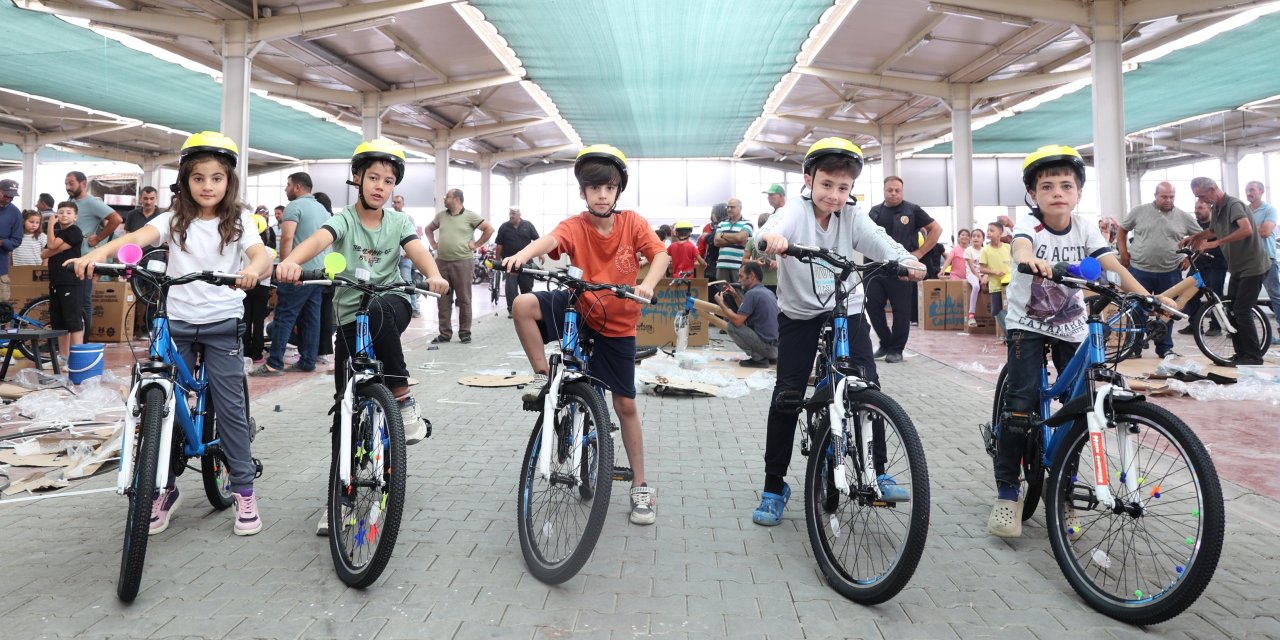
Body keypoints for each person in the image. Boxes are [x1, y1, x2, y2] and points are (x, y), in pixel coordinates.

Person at [70, 131, 273, 536]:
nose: (208, 186)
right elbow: (134, 238)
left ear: (229, 181)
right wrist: (96, 254)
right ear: (185, 181)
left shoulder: (240, 223)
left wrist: (253, 270)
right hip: (176, 322)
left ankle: (244, 489)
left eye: (216, 178)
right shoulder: (171, 220)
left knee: (230, 407)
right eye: (199, 178)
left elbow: (261, 253)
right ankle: (162, 488)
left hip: (221, 324)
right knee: (161, 405)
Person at [990, 145, 1172, 538]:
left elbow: (1112, 265)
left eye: (1066, 185)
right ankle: (1007, 493)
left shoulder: (1085, 227)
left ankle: (1065, 494)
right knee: (1020, 405)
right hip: (1028, 325)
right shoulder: (1029, 225)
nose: (1057, 192)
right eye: (1047, 186)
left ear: (1077, 193)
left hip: (1072, 326)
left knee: (1078, 410)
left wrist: (1149, 297)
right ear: (1034, 194)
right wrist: (1031, 260)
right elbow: (1020, 245)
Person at [753, 137, 924, 526]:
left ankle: (878, 469)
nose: (833, 195)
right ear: (809, 179)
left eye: (842, 188)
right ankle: (774, 485)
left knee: (868, 386)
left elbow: (879, 241)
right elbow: (769, 232)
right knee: (787, 396)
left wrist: (906, 260)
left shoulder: (852, 214)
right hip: (799, 315)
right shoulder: (795, 212)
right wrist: (771, 240)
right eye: (826, 185)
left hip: (847, 309)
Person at [501, 144, 670, 526]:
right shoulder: (575, 225)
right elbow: (548, 241)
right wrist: (522, 256)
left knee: (625, 405)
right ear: (583, 192)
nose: (601, 194)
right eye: (594, 188)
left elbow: (660, 255)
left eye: (609, 188)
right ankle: (543, 374)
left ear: (617, 192)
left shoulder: (633, 224)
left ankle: (641, 485)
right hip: (580, 308)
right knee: (522, 306)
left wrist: (647, 284)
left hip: (619, 322)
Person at [276, 138, 448, 463]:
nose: (380, 187)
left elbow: (417, 250)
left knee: (380, 308)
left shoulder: (398, 221)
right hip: (349, 316)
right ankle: (346, 472)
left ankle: (402, 397)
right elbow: (318, 239)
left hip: (390, 302)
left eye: (388, 181)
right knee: (345, 400)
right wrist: (292, 262)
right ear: (357, 177)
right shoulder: (344, 219)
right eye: (373, 178)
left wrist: (434, 273)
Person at [1185, 177, 1271, 366]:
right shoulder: (1217, 208)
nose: (1201, 201)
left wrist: (1217, 243)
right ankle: (1241, 354)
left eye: (1202, 196)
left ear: (1213, 189)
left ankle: (1254, 356)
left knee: (1242, 310)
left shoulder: (1234, 205)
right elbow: (1213, 230)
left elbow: (1246, 229)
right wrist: (1195, 237)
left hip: (1253, 265)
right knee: (1231, 309)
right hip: (1238, 267)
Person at [252, 172, 328, 376]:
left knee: (284, 316)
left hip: (297, 272)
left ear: (297, 188)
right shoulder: (322, 209)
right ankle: (308, 361)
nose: (285, 189)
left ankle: (274, 363)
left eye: (287, 185)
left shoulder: (294, 207)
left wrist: (286, 266)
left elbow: (287, 237)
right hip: (319, 273)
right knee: (312, 319)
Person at [1118, 182, 1200, 358]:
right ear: (1155, 195)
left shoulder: (1184, 217)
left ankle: (1164, 348)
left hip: (1170, 271)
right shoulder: (1139, 211)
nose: (1168, 200)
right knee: (1136, 310)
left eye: (1171, 197)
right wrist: (1123, 252)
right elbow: (1122, 230)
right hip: (1139, 270)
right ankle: (1134, 348)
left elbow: (1201, 237)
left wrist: (1189, 257)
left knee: (1167, 310)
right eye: (1164, 196)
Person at [865, 176, 941, 363]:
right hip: (875, 267)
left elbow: (936, 229)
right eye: (890, 190)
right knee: (872, 305)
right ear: (884, 191)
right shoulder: (875, 212)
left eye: (897, 190)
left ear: (902, 191)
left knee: (901, 310)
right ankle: (885, 342)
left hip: (901, 268)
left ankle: (896, 349)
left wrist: (919, 253)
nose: (893, 193)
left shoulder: (912, 210)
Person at [425, 188, 493, 344]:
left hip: (463, 262)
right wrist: (433, 243)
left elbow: (489, 229)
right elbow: (429, 229)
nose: (443, 199)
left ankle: (465, 332)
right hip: (441, 262)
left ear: (456, 199)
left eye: (446, 197)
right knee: (443, 298)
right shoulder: (441, 216)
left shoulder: (470, 216)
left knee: (464, 299)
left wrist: (476, 244)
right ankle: (445, 333)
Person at [65, 171, 122, 335]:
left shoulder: (91, 202)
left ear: (83, 184)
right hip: (68, 258)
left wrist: (98, 238)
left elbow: (116, 219)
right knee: (70, 301)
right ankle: (69, 339)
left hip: (84, 259)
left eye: (71, 183)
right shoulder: (70, 202)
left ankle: (84, 340)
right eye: (66, 183)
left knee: (83, 301)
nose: (68, 187)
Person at [714, 262, 778, 367]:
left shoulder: (752, 294)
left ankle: (759, 359)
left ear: (752, 276)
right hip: (775, 349)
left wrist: (721, 303)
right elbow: (745, 310)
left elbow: (738, 321)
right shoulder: (765, 292)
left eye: (741, 276)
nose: (739, 280)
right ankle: (768, 357)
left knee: (731, 326)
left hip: (768, 348)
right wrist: (735, 295)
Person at [1180, 199, 1228, 336]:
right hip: (1198, 264)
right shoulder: (1195, 224)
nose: (1197, 211)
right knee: (1188, 293)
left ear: (1210, 209)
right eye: (1195, 208)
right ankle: (1194, 324)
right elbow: (1194, 244)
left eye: (1200, 208)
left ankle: (1216, 326)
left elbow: (1204, 239)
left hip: (1216, 265)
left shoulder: (1218, 224)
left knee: (1214, 295)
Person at [42, 202, 83, 358]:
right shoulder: (59, 233)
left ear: (75, 216)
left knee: (73, 320)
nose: (64, 215)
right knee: (59, 321)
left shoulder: (74, 231)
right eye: (61, 212)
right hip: (56, 281)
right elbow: (43, 254)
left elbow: (51, 245)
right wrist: (56, 249)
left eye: (68, 212)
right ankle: (63, 357)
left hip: (70, 280)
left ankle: (77, 358)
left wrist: (50, 225)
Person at [1245, 181, 1280, 345]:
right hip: (1248, 260)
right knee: (1247, 299)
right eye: (1247, 190)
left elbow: (1266, 231)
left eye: (1252, 190)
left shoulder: (1269, 209)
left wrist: (1246, 229)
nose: (1249, 193)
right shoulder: (1244, 210)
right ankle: (1252, 335)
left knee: (1276, 296)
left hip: (1267, 259)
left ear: (1261, 191)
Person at [493, 207, 540, 316]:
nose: (511, 215)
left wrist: (541, 255)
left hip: (526, 263)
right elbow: (499, 244)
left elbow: (537, 241)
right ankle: (512, 310)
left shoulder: (528, 225)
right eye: (510, 213)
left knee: (527, 286)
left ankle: (527, 308)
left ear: (519, 214)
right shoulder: (504, 227)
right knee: (511, 287)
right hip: (510, 263)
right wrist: (497, 260)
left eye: (513, 213)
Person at [390, 195, 422, 319]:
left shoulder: (408, 218)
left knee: (407, 281)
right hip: (392, 256)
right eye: (394, 202)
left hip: (405, 257)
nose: (396, 204)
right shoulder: (389, 217)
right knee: (391, 283)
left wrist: (410, 251)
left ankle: (414, 308)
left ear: (403, 204)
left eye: (398, 202)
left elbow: (414, 236)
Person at [978, 221, 1011, 339]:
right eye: (988, 230)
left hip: (1009, 286)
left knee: (1011, 310)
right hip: (995, 286)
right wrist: (995, 272)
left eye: (992, 230)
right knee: (997, 311)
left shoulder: (1008, 248)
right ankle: (1009, 335)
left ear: (1000, 233)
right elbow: (982, 268)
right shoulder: (985, 250)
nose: (989, 233)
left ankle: (1011, 335)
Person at [714, 198, 752, 284]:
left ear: (740, 208)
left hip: (738, 266)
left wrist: (723, 235)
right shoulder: (722, 224)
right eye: (728, 207)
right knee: (722, 294)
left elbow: (740, 238)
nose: (729, 209)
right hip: (721, 265)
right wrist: (736, 240)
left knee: (738, 293)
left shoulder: (747, 223)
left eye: (732, 207)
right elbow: (716, 242)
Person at [0, 179, 24, 300]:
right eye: (6, 195)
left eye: (12, 197)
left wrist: (2, 242)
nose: (9, 199)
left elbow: (17, 240)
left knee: (2, 308)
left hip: (1, 268)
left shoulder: (15, 213)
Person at [964, 228, 985, 327]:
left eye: (978, 236)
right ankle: (971, 316)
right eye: (974, 236)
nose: (976, 238)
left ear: (983, 239)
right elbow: (972, 268)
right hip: (972, 274)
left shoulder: (986, 250)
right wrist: (980, 279)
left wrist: (986, 276)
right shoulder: (968, 250)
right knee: (976, 286)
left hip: (984, 273)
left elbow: (988, 266)